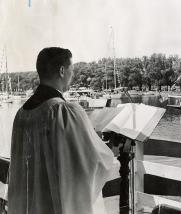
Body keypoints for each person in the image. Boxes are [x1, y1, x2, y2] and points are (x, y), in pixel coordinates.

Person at [8, 47, 115, 214]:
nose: (72, 76)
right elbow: (90, 162)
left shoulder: (21, 114)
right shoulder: (62, 110)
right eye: (72, 70)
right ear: (62, 71)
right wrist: (106, 147)